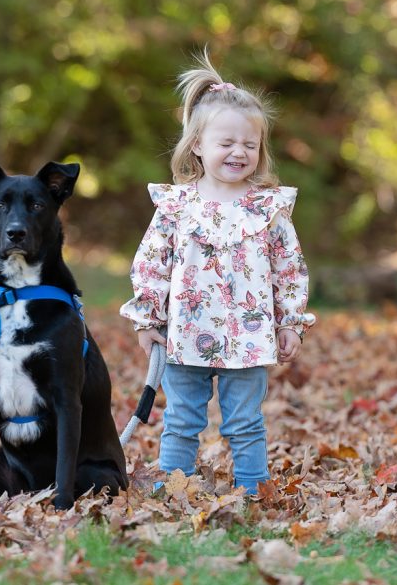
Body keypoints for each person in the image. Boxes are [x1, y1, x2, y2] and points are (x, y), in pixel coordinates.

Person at [120, 50, 315, 494]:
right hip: (185, 332)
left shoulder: (268, 207)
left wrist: (292, 323)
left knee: (245, 420)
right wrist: (148, 319)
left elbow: (290, 269)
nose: (238, 152)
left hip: (248, 337)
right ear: (197, 145)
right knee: (182, 418)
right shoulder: (177, 205)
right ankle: (174, 486)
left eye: (249, 144)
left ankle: (252, 487)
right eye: (225, 143)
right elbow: (151, 262)